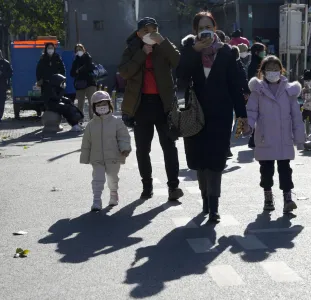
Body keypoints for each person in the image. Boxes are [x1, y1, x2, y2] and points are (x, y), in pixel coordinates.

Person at [177, 11, 249, 222]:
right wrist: (193, 52)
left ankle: (214, 206)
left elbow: (236, 87)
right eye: (200, 28)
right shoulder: (189, 50)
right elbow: (180, 79)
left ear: (215, 28)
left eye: (209, 26)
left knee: (216, 160)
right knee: (200, 160)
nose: (205, 30)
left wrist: (242, 116)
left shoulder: (227, 52)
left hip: (221, 113)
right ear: (195, 31)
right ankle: (205, 200)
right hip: (195, 113)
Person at [118, 17, 183, 201]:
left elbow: (178, 60)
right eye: (146, 31)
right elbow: (124, 72)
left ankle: (173, 187)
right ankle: (147, 186)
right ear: (138, 33)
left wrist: (163, 42)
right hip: (141, 105)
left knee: (169, 147)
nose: (150, 34)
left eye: (153, 30)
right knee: (142, 149)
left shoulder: (163, 46)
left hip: (164, 105)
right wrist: (141, 54)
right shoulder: (132, 49)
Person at [246, 55, 305, 214]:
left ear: (281, 70)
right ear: (263, 72)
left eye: (275, 69)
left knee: (285, 169)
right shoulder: (257, 91)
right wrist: (248, 126)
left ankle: (288, 199)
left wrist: (299, 137)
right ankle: (268, 197)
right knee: (266, 171)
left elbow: (296, 116)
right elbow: (251, 111)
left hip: (284, 138)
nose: (273, 72)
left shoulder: (289, 91)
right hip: (264, 138)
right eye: (269, 69)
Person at [80, 91, 132, 212]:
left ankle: (113, 194)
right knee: (97, 179)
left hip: (113, 157)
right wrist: (85, 157)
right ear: (93, 108)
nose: (101, 107)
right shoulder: (91, 125)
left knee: (112, 178)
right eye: (98, 105)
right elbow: (86, 143)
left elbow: (123, 136)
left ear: (110, 105)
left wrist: (124, 148)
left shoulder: (116, 122)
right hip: (96, 158)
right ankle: (96, 200)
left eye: (104, 104)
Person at [70, 44, 97, 120]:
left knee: (92, 102)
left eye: (80, 49)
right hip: (80, 84)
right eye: (77, 50)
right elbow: (72, 73)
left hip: (90, 83)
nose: (79, 51)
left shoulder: (88, 58)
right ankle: (80, 120)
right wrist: (76, 71)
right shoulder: (75, 61)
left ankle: (93, 120)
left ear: (84, 50)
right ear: (75, 52)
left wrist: (79, 70)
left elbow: (90, 67)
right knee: (80, 104)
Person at [247, 42, 266, 149]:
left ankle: (254, 139)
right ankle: (253, 139)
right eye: (262, 51)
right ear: (256, 52)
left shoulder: (259, 62)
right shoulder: (255, 65)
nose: (264, 53)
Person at [0, 50, 13, 122]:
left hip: (2, 86)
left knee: (1, 102)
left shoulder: (5, 63)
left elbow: (10, 73)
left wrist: (3, 73)